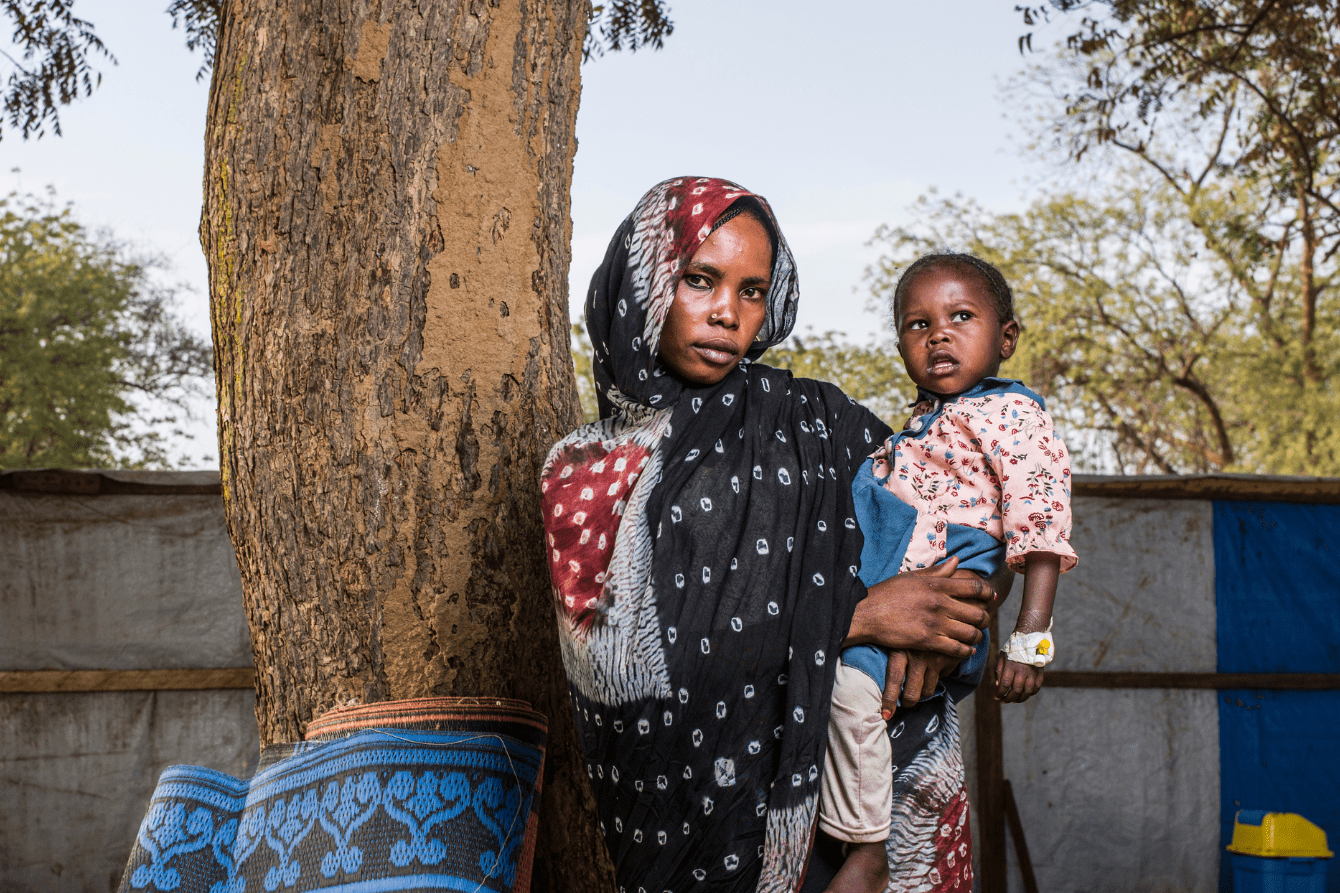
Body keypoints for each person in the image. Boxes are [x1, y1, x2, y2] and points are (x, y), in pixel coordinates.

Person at [540, 178, 995, 893]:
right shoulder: (587, 472)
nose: (727, 311)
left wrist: (940, 630)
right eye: (699, 279)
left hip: (871, 817)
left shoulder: (822, 422)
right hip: (700, 836)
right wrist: (860, 617)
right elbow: (626, 678)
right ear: (642, 284)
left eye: (752, 290)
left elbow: (949, 580)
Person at [820, 253, 1078, 892]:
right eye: (917, 324)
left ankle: (865, 846)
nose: (938, 334)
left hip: (941, 590)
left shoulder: (1014, 418)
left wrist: (1029, 645)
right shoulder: (921, 424)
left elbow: (1041, 535)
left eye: (962, 317)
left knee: (846, 695)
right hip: (895, 582)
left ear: (1006, 339)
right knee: (842, 697)